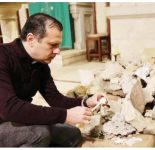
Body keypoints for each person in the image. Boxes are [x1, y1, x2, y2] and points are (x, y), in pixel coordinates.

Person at [0, 13, 104, 147]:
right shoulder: (3, 56)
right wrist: (65, 115)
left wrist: (86, 102)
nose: (57, 51)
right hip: (3, 121)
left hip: (20, 118)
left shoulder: (40, 64)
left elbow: (55, 99)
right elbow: (9, 108)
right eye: (52, 45)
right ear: (31, 39)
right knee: (40, 134)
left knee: (72, 134)